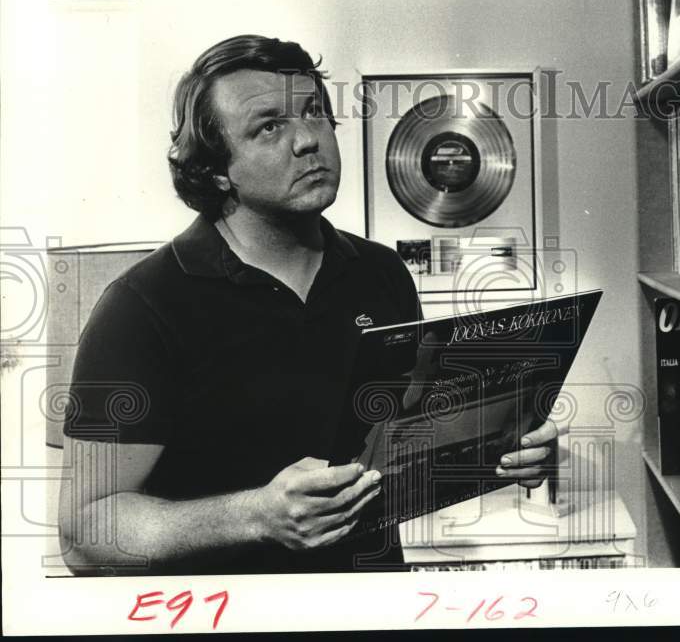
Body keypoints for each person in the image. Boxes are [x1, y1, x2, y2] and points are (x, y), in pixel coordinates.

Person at [58, 34, 556, 575]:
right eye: (269, 126)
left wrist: (501, 447)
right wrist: (256, 515)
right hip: (224, 612)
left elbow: (399, 446)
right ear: (217, 169)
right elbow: (86, 533)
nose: (308, 140)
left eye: (315, 112)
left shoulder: (381, 273)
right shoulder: (140, 306)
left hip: (370, 600)